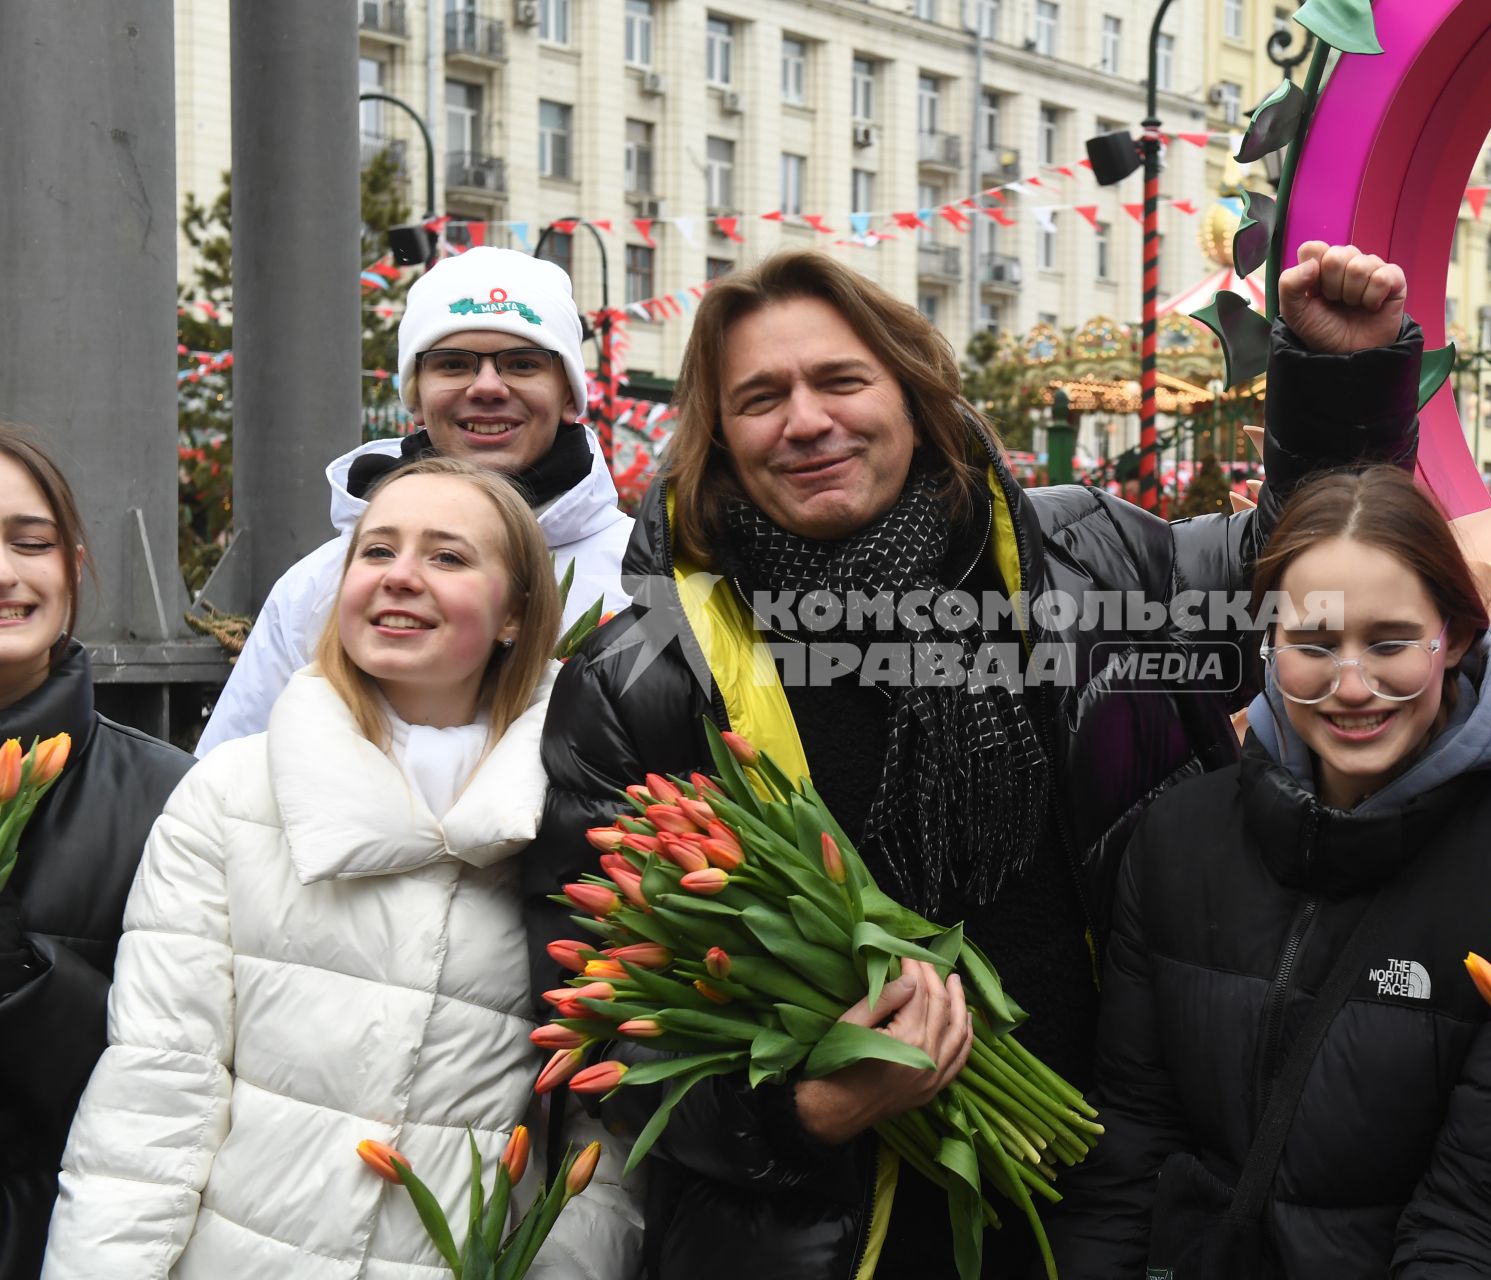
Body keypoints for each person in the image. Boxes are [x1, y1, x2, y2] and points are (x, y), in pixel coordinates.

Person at [524, 242, 1427, 1276]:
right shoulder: (644, 670)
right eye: (761, 397)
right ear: (720, 437)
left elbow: (1294, 583)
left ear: (914, 394)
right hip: (823, 1234)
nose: (808, 419)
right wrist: (804, 1110)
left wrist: (1343, 382)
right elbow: (599, 1008)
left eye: (842, 380)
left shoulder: (1089, 560)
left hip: (1106, 1203)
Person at [44, 458, 643, 1279]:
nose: (401, 578)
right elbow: (155, 1092)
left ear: (516, 613)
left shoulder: (589, 819)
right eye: (376, 551)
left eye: (448, 557)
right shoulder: (230, 794)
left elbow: (603, 1135)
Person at [1048, 464, 1491, 1277]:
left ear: (1455, 636)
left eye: (1390, 642)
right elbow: (1132, 1144)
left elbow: (1486, 1222)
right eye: (1314, 644)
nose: (1352, 686)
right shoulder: (1178, 836)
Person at [196, 246, 634, 756]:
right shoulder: (322, 585)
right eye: (452, 364)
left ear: (566, 395)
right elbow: (221, 789)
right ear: (417, 398)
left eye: (522, 363)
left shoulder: (647, 577)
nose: (488, 386)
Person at [0, 425, 194, 1280]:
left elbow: (181, 1074)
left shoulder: (174, 800)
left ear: (72, 567)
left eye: (29, 542)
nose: (5, 573)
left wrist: (25, 975)